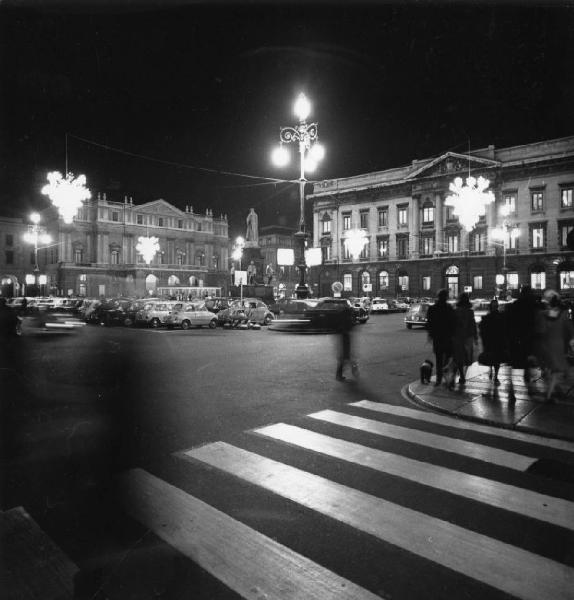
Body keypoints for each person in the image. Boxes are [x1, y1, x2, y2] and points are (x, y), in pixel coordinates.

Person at [505, 285, 541, 404]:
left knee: (513, 364)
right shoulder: (533, 306)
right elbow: (536, 322)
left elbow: (509, 321)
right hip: (528, 338)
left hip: (515, 338)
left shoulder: (515, 305)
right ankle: (529, 386)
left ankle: (511, 389)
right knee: (527, 363)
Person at [536, 290, 574, 402]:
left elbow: (540, 330)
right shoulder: (563, 315)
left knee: (554, 369)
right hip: (558, 345)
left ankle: (555, 391)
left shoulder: (543, 314)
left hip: (546, 344)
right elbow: (569, 329)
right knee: (558, 370)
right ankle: (550, 394)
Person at [426, 289, 456, 386]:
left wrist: (430, 335)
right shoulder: (449, 308)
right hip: (447, 337)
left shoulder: (432, 308)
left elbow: (429, 323)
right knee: (447, 358)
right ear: (446, 297)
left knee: (438, 359)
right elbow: (453, 323)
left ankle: (439, 379)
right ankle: (445, 376)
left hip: (438, 338)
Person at [452, 292, 478, 386]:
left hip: (457, 337)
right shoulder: (470, 311)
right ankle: (462, 375)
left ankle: (461, 375)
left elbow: (452, 325)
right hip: (468, 337)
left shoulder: (456, 311)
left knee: (458, 357)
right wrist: (475, 337)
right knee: (467, 357)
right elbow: (473, 324)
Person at [479, 299, 507, 385]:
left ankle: (491, 370)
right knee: (497, 359)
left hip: (489, 340)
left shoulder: (487, 317)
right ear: (497, 306)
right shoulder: (501, 316)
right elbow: (504, 329)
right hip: (498, 340)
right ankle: (496, 376)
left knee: (491, 356)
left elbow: (482, 329)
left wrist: (484, 339)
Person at [335, 302, 358, 382]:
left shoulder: (341, 316)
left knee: (345, 357)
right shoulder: (346, 317)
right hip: (345, 336)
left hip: (344, 336)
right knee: (346, 356)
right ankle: (353, 371)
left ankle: (340, 375)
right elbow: (350, 325)